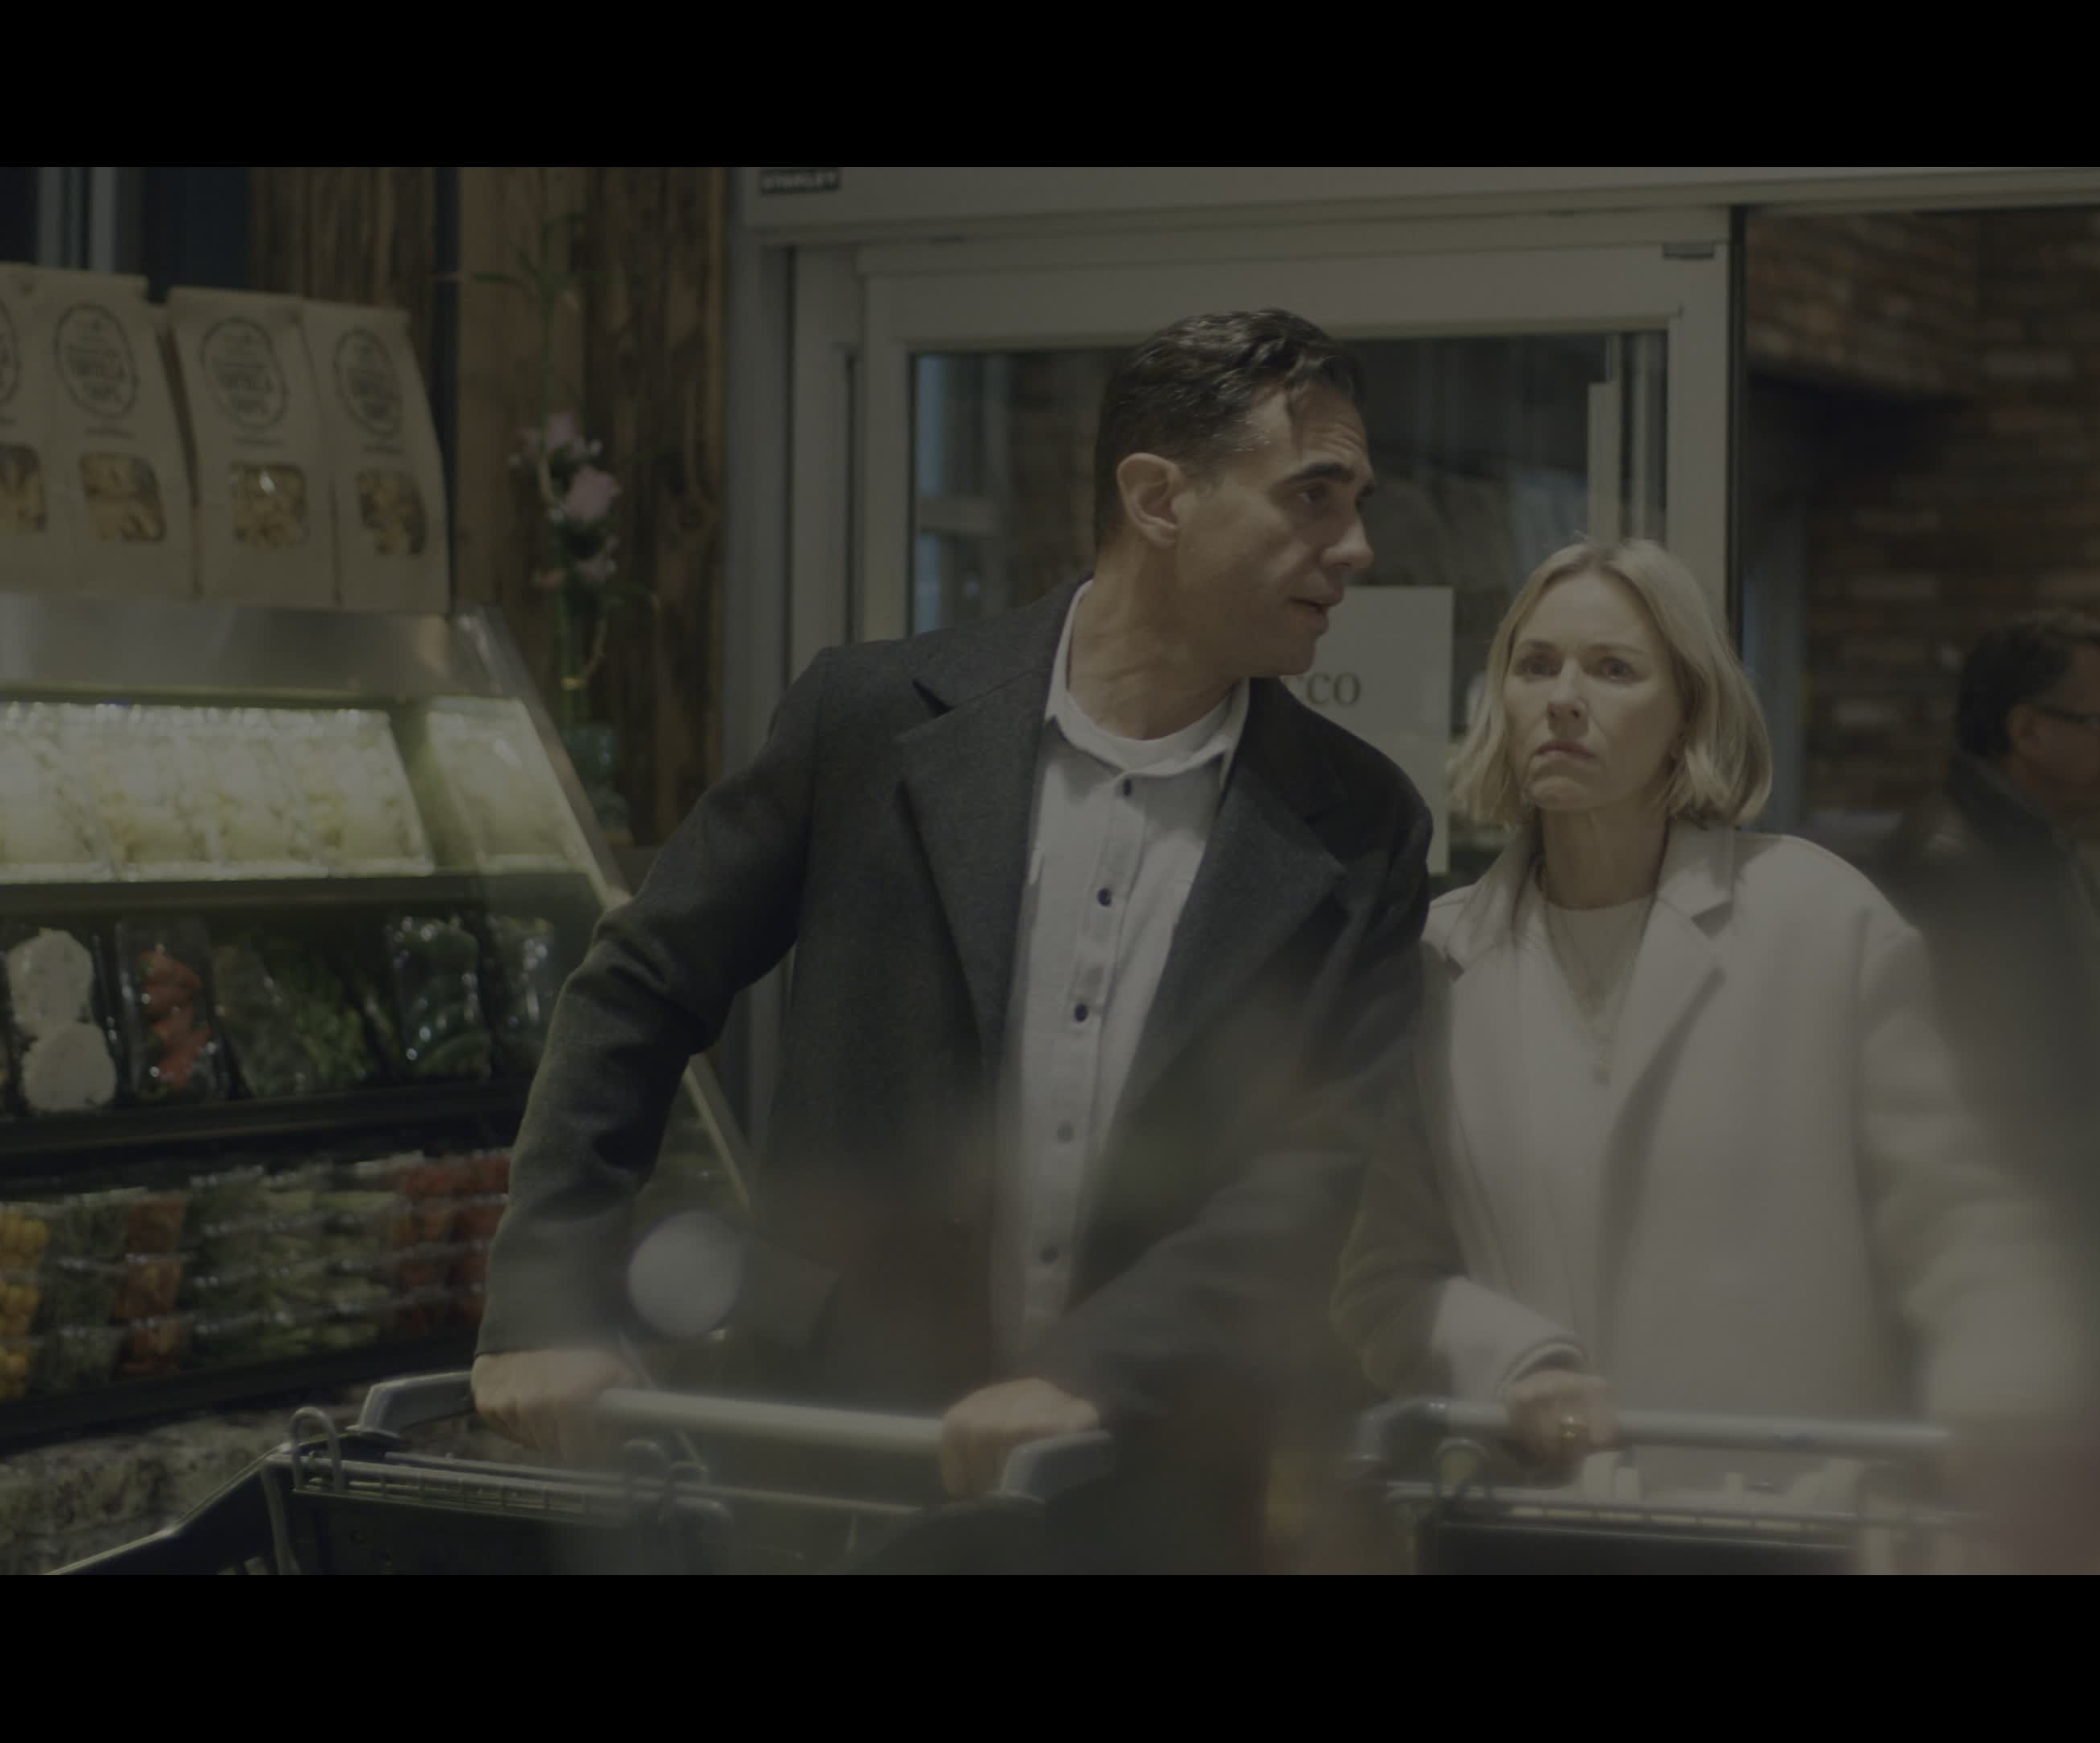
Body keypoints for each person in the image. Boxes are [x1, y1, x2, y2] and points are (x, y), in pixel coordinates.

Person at [472, 309, 1434, 1574]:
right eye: (1313, 496)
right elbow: (641, 989)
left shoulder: (1364, 822)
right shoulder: (870, 717)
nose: (1355, 548)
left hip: (1155, 1489)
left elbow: (1309, 1177)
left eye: (1357, 503)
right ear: (1158, 499)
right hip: (833, 1456)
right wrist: (549, 1301)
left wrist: (1091, 1370)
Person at [1331, 538, 2085, 1527]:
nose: (1564, 699)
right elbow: (1383, 1277)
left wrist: (2004, 1398)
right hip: (1541, 1523)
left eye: (1613, 669)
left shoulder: (1821, 922)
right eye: (1536, 665)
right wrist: (1513, 1364)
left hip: (1790, 1517)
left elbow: (1959, 1222)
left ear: (1690, 712)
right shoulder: (1436, 960)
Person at [1871, 611, 2100, 1284]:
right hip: (2012, 1245)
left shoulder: (2035, 843)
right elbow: (1988, 1096)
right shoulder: (1954, 864)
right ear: (2026, 731)